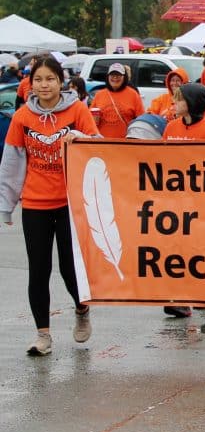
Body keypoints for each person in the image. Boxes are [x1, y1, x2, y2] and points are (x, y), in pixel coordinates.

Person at [0, 56, 100, 355]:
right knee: (38, 269)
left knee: (70, 269)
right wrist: (6, 204)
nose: (44, 85)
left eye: (50, 79)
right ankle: (42, 335)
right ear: (31, 84)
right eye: (39, 80)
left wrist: (79, 136)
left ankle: (81, 310)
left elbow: (99, 144)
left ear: (61, 82)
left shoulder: (77, 110)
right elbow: (12, 163)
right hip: (35, 202)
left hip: (70, 202)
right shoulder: (22, 118)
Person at [92, 62, 145, 138]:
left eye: (119, 75)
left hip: (125, 143)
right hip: (102, 142)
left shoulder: (133, 94)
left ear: (124, 77)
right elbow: (89, 119)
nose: (115, 77)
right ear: (108, 77)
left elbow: (141, 120)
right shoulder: (99, 94)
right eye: (112, 75)